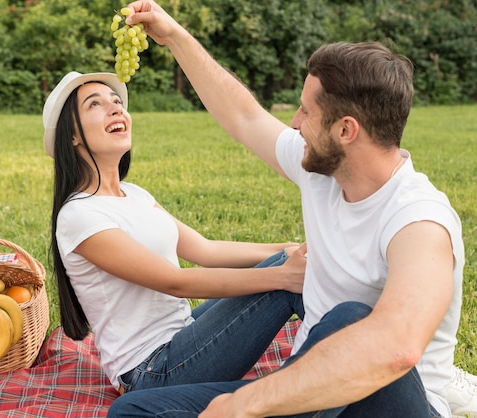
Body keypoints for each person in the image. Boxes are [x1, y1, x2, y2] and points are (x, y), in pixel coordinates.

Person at [107, 1, 476, 417]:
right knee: (134, 411)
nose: (295, 122)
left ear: (345, 130)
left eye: (306, 111)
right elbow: (245, 117)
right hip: (310, 396)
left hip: (385, 404)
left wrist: (242, 404)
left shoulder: (418, 221)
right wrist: (173, 35)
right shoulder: (320, 170)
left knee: (351, 320)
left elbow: (395, 347)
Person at [42, 71, 308, 396]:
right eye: (94, 105)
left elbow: (205, 250)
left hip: (183, 336)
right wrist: (283, 277)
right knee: (285, 283)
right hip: (153, 371)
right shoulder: (79, 215)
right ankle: (327, 384)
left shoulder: (134, 194)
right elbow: (175, 282)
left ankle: (341, 365)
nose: (115, 109)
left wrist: (287, 248)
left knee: (288, 262)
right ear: (73, 136)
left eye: (116, 102)